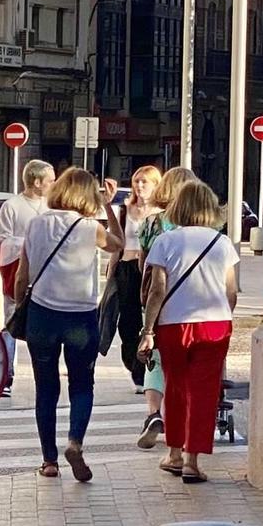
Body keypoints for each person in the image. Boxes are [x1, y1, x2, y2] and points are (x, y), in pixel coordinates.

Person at [15, 167, 120, 481]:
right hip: (81, 318)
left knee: (45, 389)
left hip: (42, 317)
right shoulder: (91, 228)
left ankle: (49, 461)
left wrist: (22, 304)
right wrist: (109, 207)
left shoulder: (36, 224)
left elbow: (23, 275)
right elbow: (119, 243)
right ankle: (75, 441)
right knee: (82, 384)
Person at [138, 181, 237, 483]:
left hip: (173, 324)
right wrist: (222, 314)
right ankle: (193, 462)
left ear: (178, 207)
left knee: (177, 388)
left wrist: (147, 329)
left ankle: (174, 454)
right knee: (204, 392)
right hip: (215, 324)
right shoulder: (222, 243)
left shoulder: (165, 242)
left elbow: (157, 290)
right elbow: (230, 291)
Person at [130, 165, 197, 448]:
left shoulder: (151, 224)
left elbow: (142, 265)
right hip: (192, 300)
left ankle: (154, 413)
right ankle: (183, 421)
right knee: (186, 363)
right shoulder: (202, 226)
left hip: (159, 298)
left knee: (154, 357)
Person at [0, 160, 54, 399]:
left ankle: (45, 375)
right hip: (19, 273)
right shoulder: (12, 206)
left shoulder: (52, 205)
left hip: (46, 276)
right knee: (13, 323)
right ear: (36, 182)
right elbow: (2, 240)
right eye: (50, 180)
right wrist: (29, 242)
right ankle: (6, 376)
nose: (54, 184)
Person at [108, 166, 162, 397]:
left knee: (149, 321)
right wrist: (110, 275)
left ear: (156, 185)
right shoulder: (124, 210)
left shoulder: (161, 213)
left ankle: (145, 370)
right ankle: (134, 366)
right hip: (127, 268)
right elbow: (116, 243)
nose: (140, 187)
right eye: (137, 182)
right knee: (127, 323)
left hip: (150, 270)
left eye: (145, 182)